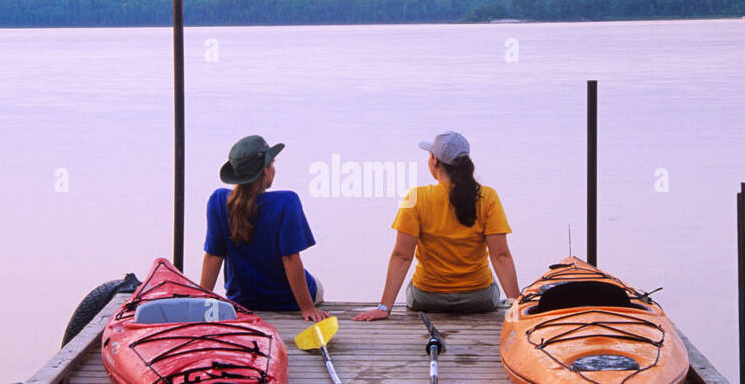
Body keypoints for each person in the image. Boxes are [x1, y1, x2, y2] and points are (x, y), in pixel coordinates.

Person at [354, 132, 521, 320]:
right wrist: (516, 304)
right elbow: (501, 256)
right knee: (492, 286)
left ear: (434, 160)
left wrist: (384, 307)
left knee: (414, 285)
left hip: (427, 298)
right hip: (478, 297)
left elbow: (402, 256)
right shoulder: (487, 196)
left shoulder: (415, 197)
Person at [199, 135, 329, 322]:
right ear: (265, 171)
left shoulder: (219, 201)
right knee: (318, 285)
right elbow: (290, 258)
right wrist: (307, 308)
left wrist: (202, 303)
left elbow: (213, 256)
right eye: (272, 164)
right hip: (289, 300)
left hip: (242, 300)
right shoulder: (287, 202)